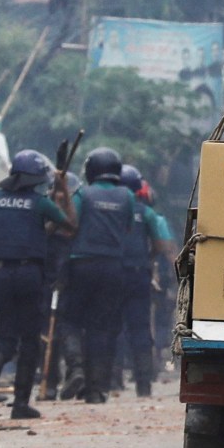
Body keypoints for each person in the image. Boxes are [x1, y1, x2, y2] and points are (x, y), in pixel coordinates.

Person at [0, 149, 74, 419]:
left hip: (1, 276)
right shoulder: (40, 203)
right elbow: (71, 226)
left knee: (5, 336)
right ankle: (20, 404)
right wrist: (64, 189)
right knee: (29, 340)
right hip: (29, 276)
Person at [59, 148, 145, 406]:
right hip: (113, 268)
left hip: (81, 265)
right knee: (101, 329)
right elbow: (128, 228)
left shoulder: (82, 194)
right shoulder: (128, 197)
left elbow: (70, 223)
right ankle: (96, 390)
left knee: (70, 321)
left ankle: (75, 369)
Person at [117, 162, 172, 397]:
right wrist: (148, 258)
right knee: (140, 327)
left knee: (111, 326)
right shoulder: (147, 213)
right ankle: (144, 383)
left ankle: (109, 381)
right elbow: (163, 245)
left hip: (111, 272)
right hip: (139, 274)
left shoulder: (103, 208)